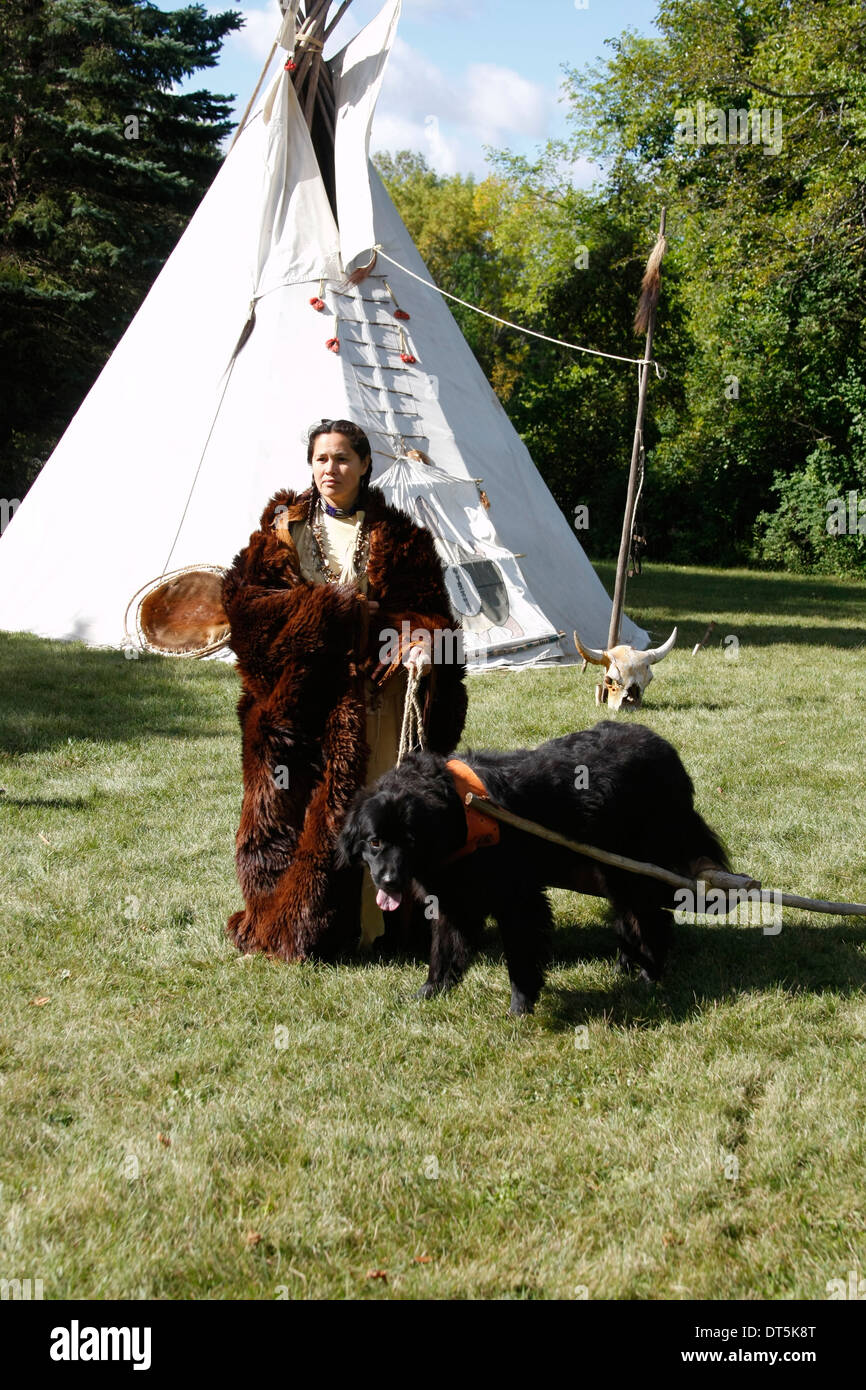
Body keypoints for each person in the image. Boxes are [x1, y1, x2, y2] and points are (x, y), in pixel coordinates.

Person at [222, 418, 467, 961]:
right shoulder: (279, 536)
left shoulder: (401, 538)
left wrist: (419, 641)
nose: (329, 469)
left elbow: (434, 617)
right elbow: (246, 613)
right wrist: (328, 611)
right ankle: (300, 927)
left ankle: (384, 927)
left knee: (378, 809)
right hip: (299, 705)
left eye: (341, 459)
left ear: (363, 465)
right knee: (296, 812)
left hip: (373, 704)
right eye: (320, 460)